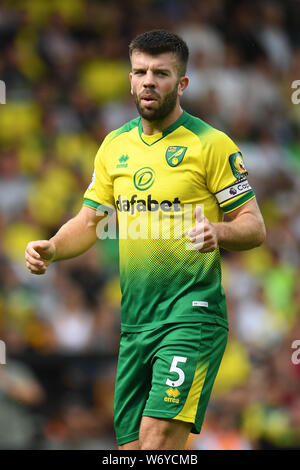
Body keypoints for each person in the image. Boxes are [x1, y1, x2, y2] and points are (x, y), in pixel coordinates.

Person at [25, 30, 266, 450]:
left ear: (182, 83)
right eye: (140, 72)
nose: (148, 81)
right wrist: (53, 246)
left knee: (155, 443)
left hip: (192, 315)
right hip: (136, 324)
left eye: (161, 73)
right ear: (130, 78)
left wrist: (220, 231)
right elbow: (89, 221)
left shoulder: (211, 144)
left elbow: (254, 226)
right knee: (133, 451)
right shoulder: (114, 145)